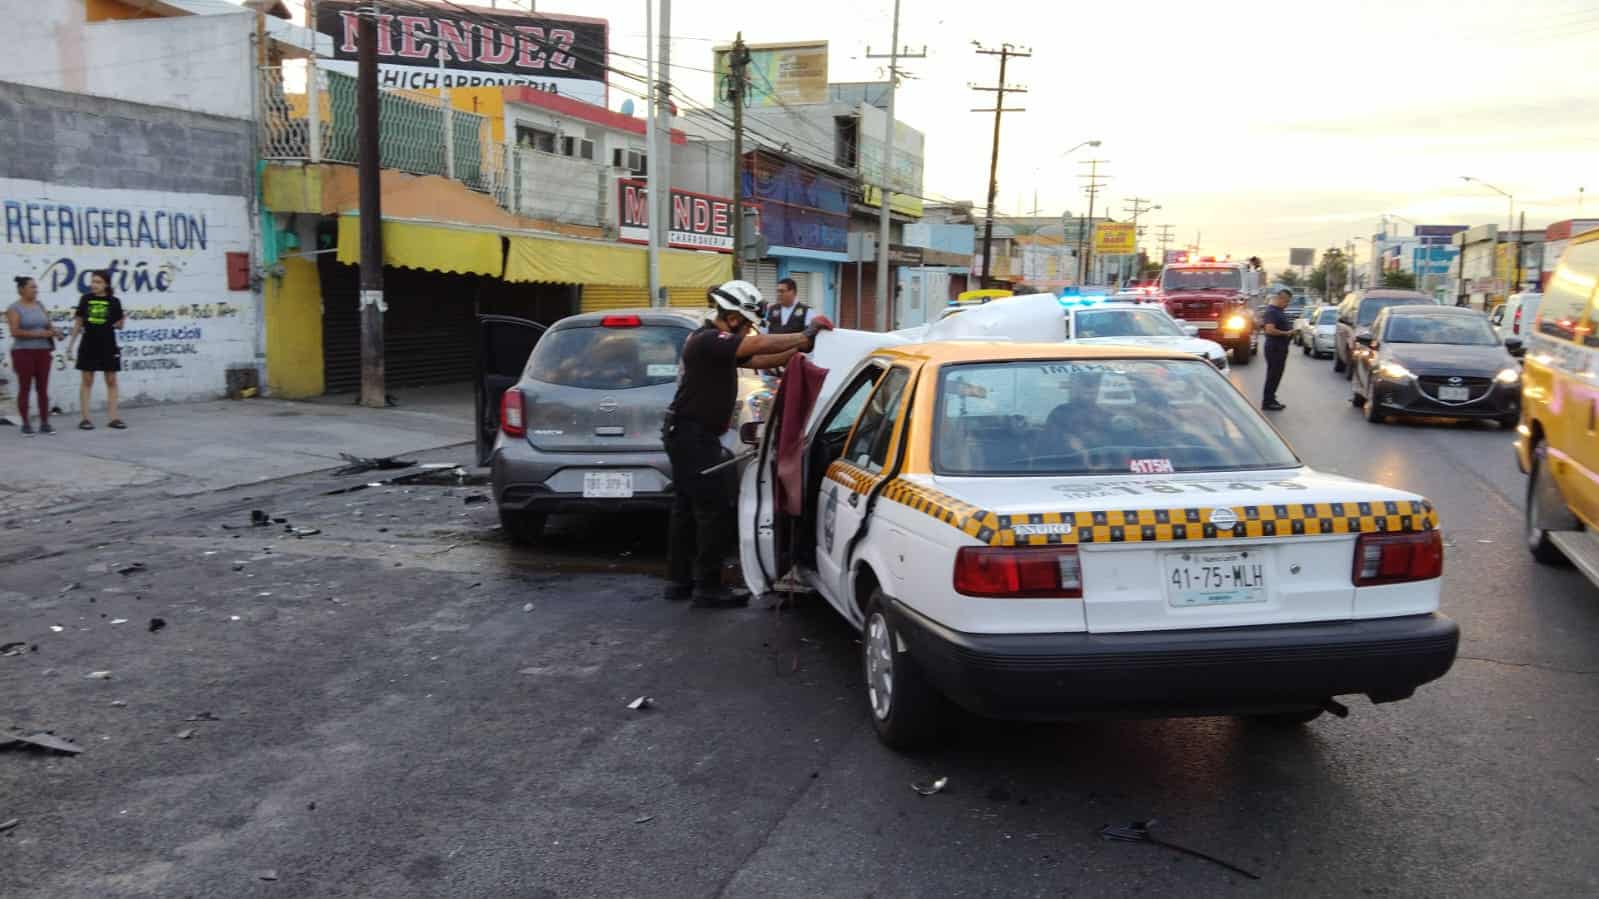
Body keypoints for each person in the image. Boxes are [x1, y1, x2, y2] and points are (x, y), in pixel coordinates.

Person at [663, 280, 831, 608]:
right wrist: (804, 334)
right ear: (735, 318)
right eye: (747, 324)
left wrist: (799, 348)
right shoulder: (709, 340)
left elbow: (760, 360)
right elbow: (758, 346)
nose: (750, 331)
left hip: (686, 434)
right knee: (712, 509)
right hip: (691, 436)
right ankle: (707, 587)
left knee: (685, 509)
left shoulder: (714, 344)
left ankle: (679, 581)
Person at [66, 270, 127, 430]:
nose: (94, 285)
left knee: (111, 380)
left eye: (98, 282)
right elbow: (78, 323)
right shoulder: (85, 299)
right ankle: (85, 418)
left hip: (108, 345)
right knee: (87, 380)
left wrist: (122, 320)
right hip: (88, 345)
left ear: (106, 284)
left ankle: (113, 418)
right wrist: (70, 345)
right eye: (93, 281)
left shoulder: (114, 301)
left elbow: (119, 325)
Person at [7, 276, 61, 436]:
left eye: (36, 287)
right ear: (22, 289)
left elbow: (48, 325)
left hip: (43, 352)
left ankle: (45, 423)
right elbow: (15, 332)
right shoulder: (14, 308)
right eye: (32, 287)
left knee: (42, 389)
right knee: (24, 388)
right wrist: (40, 334)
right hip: (23, 352)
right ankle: (26, 424)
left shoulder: (40, 305)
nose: (35, 290)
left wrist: (55, 332)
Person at [1260, 287, 1295, 411]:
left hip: (1280, 347)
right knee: (1273, 375)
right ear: (1280, 298)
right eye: (1286, 301)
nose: (1287, 304)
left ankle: (1271, 398)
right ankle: (1267, 402)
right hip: (1275, 348)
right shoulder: (1272, 311)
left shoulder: (1279, 310)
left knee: (1276, 375)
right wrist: (1286, 333)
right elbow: (1269, 329)